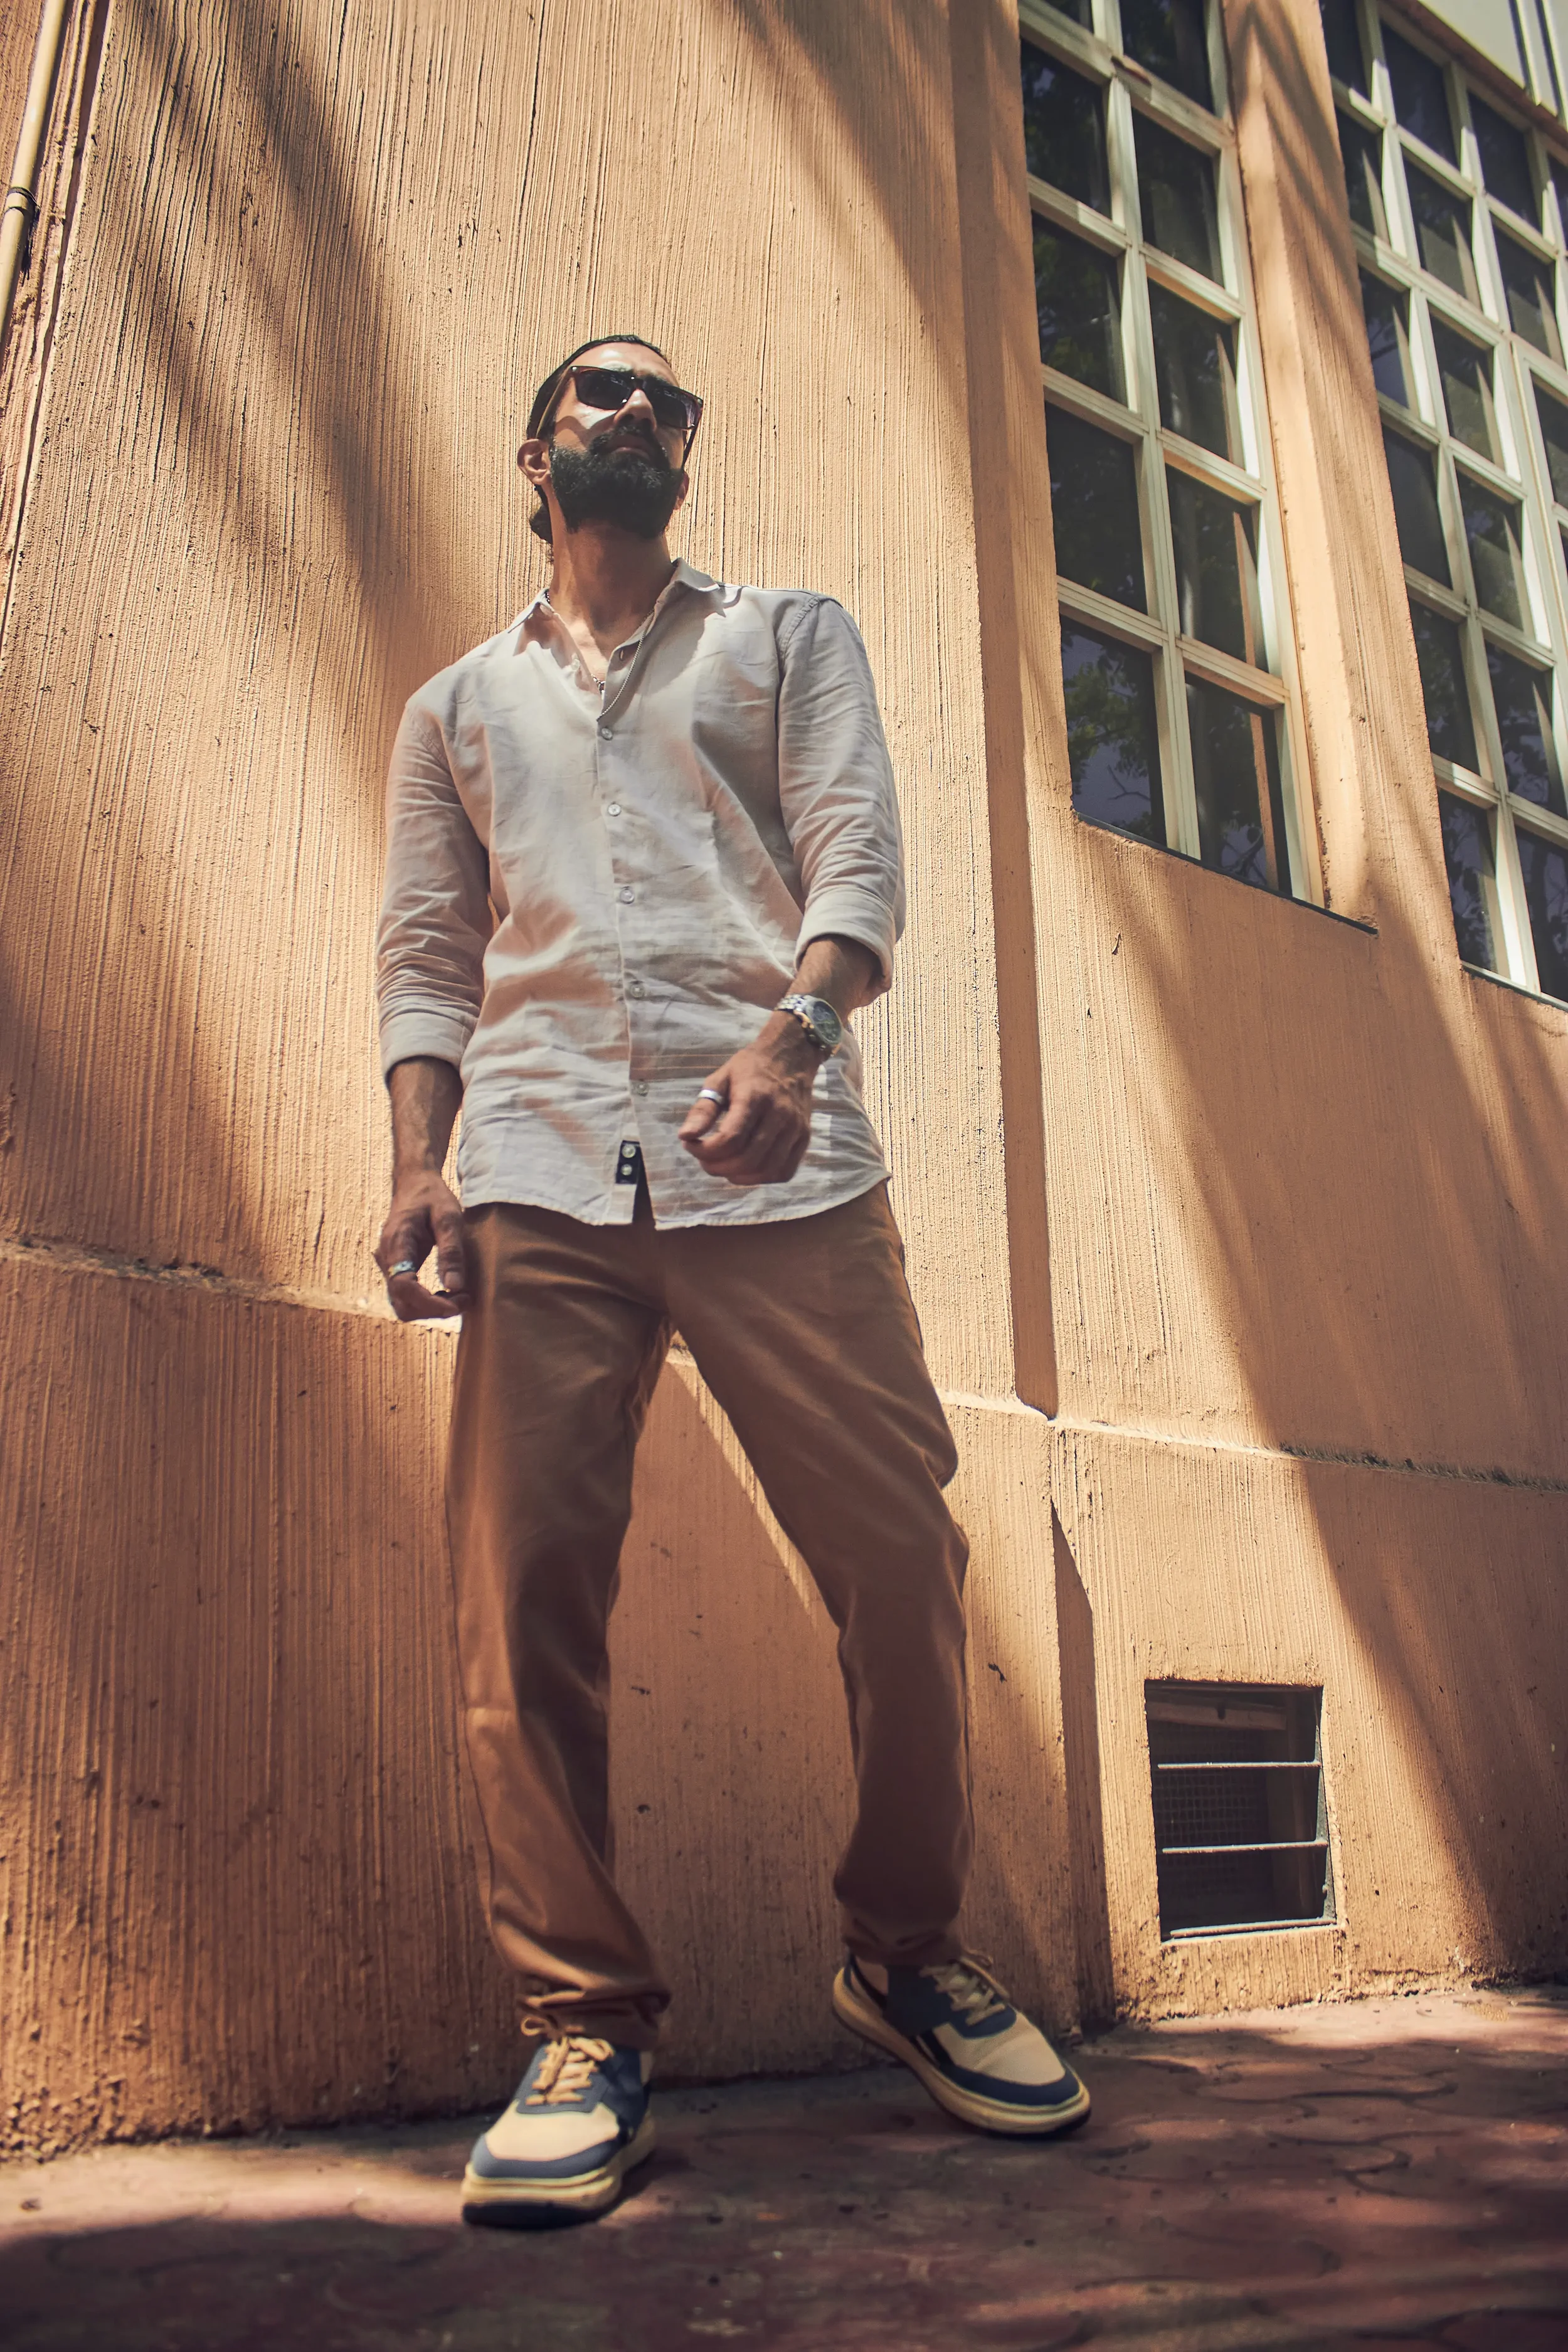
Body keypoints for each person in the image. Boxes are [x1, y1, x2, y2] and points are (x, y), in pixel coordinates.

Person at [373, 335, 1090, 2225]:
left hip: (780, 1166)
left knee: (899, 1555)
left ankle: (909, 1949)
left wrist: (791, 1042)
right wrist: (413, 1165)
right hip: (537, 1173)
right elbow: (429, 956)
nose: (635, 413)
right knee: (517, 1594)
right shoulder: (454, 706)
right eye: (599, 392)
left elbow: (859, 859)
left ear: (684, 460)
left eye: (666, 403)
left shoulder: (785, 636)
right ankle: (585, 2019)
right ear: (533, 449)